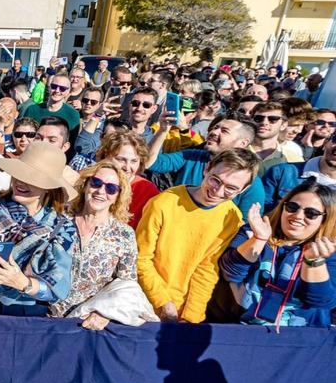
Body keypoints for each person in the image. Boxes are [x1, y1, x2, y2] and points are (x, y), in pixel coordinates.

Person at [136, 148, 260, 323]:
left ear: (243, 190)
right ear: (207, 169)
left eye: (231, 188)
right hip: (144, 301)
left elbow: (207, 269)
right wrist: (163, 302)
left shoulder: (232, 217)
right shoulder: (164, 203)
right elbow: (141, 258)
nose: (217, 192)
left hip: (186, 310)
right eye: (215, 180)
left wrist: (191, 317)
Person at [0, 141, 78, 316]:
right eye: (18, 174)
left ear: (49, 188)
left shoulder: (62, 228)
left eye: (31, 179)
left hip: (30, 314)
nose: (20, 182)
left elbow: (59, 287)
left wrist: (22, 282)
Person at [218, 183, 336, 328]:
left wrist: (312, 261)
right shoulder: (254, 231)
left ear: (325, 220)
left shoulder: (328, 251)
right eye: (292, 207)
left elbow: (321, 301)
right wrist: (259, 239)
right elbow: (230, 273)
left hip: (300, 337)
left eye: (311, 213)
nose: (298, 216)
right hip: (243, 329)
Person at [49, 162, 138, 330]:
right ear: (85, 185)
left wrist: (105, 313)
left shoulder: (124, 234)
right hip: (44, 317)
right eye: (96, 183)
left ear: (118, 196)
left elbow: (126, 285)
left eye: (111, 188)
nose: (101, 191)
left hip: (87, 325)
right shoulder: (59, 219)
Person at [147, 113, 263, 219]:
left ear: (242, 143)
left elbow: (246, 226)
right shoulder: (191, 156)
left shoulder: (250, 181)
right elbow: (149, 163)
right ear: (207, 169)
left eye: (224, 131)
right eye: (216, 127)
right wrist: (163, 130)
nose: (214, 132)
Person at [96, 130, 159, 230]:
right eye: (121, 159)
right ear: (105, 156)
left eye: (134, 161)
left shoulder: (146, 190)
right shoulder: (90, 179)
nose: (127, 167)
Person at [250, 101, 294, 175]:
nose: (264, 122)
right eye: (258, 118)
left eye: (273, 119)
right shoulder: (236, 150)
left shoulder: (292, 159)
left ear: (283, 125)